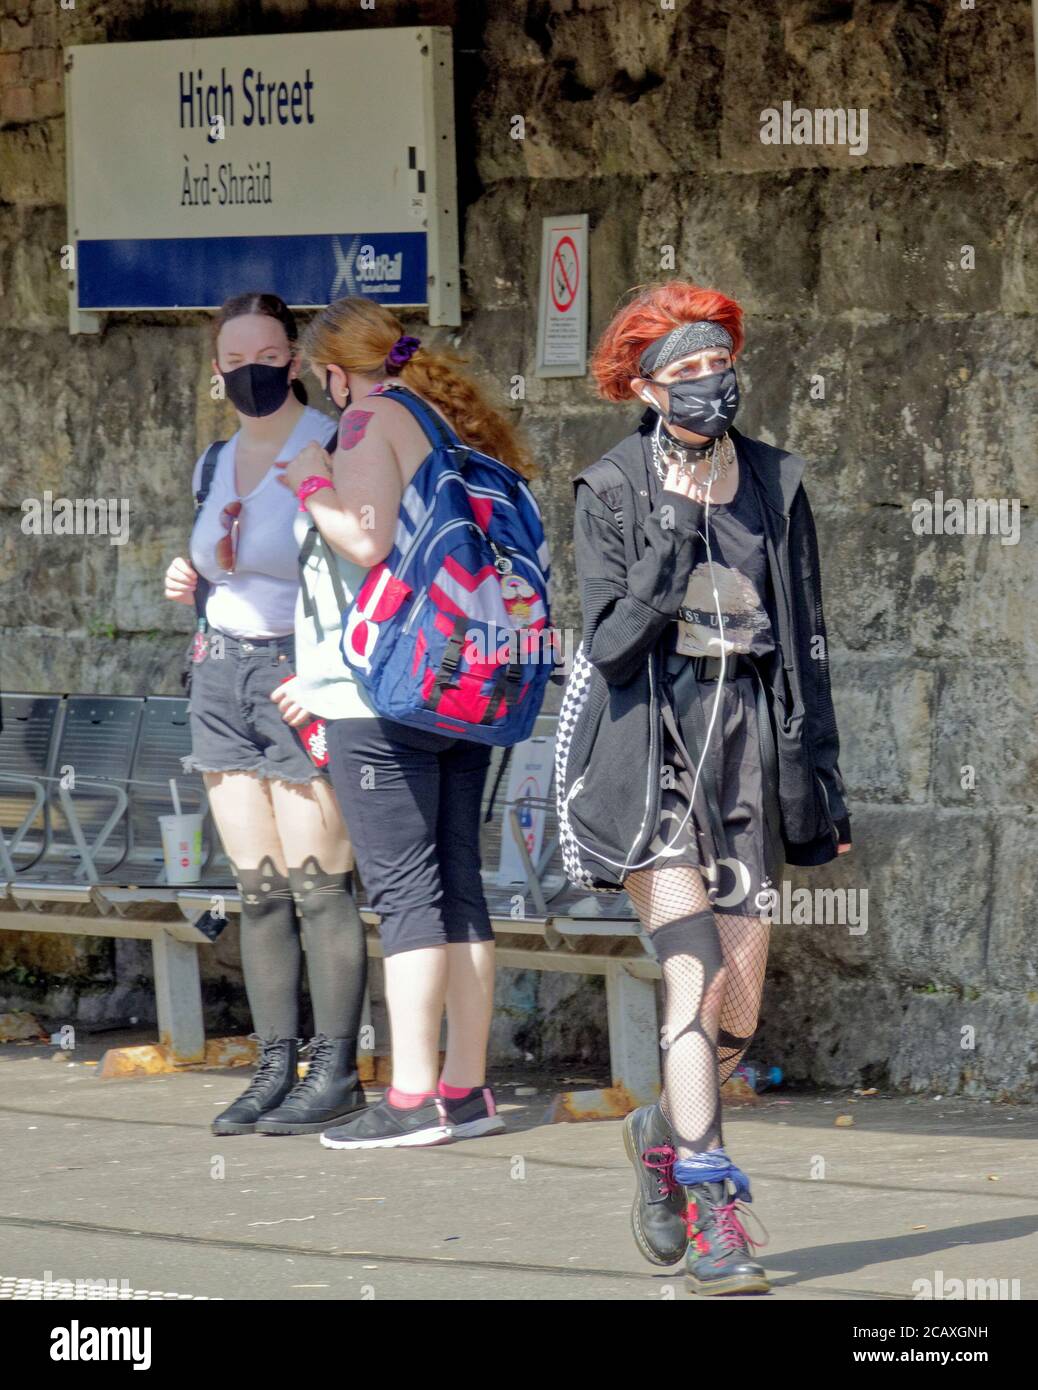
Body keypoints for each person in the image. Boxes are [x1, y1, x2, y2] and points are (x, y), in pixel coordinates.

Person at [566, 280, 852, 1294]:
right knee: (687, 975)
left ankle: (660, 1128)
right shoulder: (611, 488)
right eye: (682, 376)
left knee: (734, 1006)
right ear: (642, 388)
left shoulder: (777, 480)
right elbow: (607, 643)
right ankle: (715, 1212)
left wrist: (822, 790)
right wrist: (677, 535)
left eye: (717, 365)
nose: (707, 387)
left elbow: (807, 644)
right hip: (650, 761)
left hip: (746, 757)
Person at [271, 296, 537, 1149]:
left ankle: (412, 1096)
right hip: (461, 686)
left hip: (381, 694)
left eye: (319, 376)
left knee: (405, 892)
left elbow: (364, 537)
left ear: (336, 372)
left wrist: (307, 473)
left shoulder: (363, 423)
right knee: (459, 884)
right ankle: (465, 1090)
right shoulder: (438, 418)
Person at [163, 292, 367, 1138]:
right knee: (258, 889)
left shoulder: (331, 446)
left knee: (321, 886)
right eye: (235, 357)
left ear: (296, 359)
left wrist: (324, 677)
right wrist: (191, 577)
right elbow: (227, 565)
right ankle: (272, 1066)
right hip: (220, 673)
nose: (252, 370)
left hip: (298, 675)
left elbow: (365, 570)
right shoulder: (215, 461)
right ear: (217, 370)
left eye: (270, 354)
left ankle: (336, 1071)